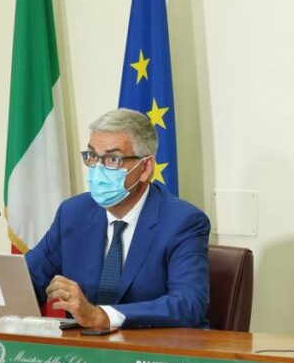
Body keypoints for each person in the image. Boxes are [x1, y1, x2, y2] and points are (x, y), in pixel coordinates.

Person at [25, 108, 210, 330]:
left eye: (113, 159)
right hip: (81, 347)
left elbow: (189, 304)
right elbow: (26, 281)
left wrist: (102, 316)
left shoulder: (182, 222)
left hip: (150, 347)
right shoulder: (73, 213)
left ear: (145, 168)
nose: (98, 169)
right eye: (93, 156)